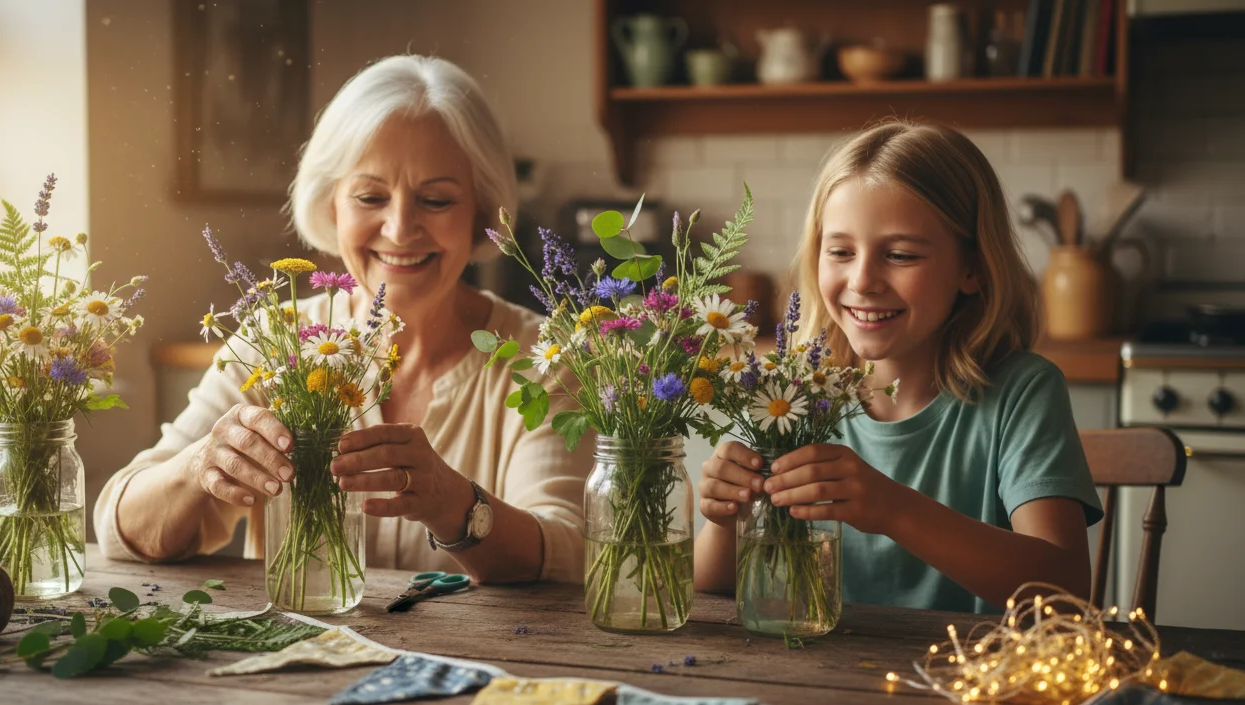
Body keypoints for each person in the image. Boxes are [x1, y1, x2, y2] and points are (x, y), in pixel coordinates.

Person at [93, 55, 593, 584]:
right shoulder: (276, 341)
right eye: (370, 196)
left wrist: (453, 504)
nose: (400, 229)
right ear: (333, 207)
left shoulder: (545, 357)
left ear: (483, 213)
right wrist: (200, 467)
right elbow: (120, 528)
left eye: (436, 200)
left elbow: (568, 552)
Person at [694, 120, 1101, 613]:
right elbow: (713, 586)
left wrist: (893, 509)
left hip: (971, 681)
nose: (863, 280)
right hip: (817, 681)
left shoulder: (1022, 393)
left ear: (971, 268)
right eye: (840, 251)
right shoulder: (790, 391)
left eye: (901, 255)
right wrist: (725, 517)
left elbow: (1065, 593)